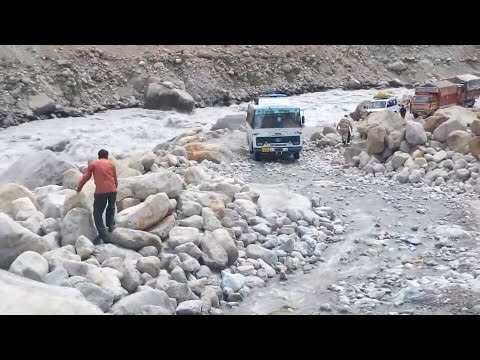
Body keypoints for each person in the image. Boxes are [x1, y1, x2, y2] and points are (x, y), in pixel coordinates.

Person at [77, 149, 118, 245]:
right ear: (107, 156)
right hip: (112, 190)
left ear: (98, 156)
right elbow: (115, 179)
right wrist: (115, 189)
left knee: (97, 213)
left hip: (101, 192)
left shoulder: (93, 164)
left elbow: (86, 177)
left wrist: (79, 188)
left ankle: (103, 235)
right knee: (111, 207)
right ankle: (110, 227)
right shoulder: (111, 164)